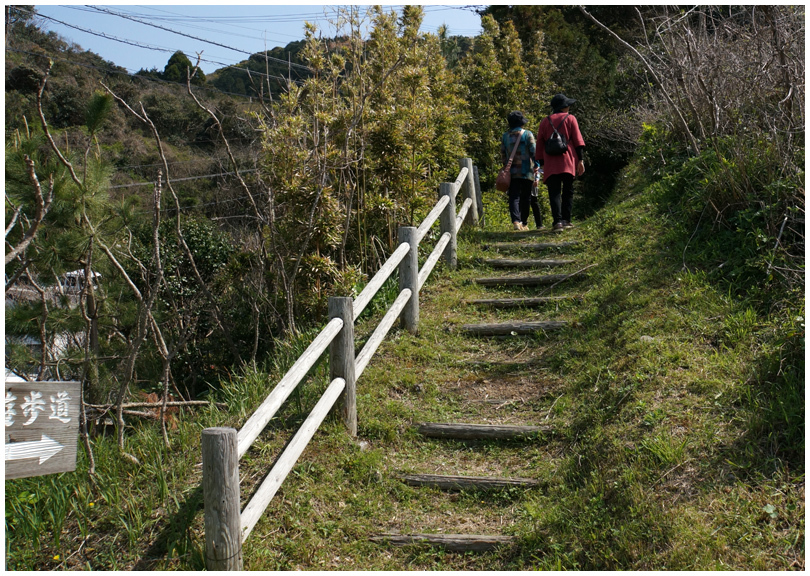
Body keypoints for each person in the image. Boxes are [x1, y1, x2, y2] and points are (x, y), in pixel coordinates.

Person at [535, 94, 586, 232]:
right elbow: (577, 140)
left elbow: (539, 143)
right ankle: (566, 220)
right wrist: (580, 160)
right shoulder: (570, 118)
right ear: (564, 107)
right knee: (568, 191)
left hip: (551, 162)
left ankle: (557, 222)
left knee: (554, 192)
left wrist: (540, 163)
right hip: (568, 159)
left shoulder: (544, 122)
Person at [500, 111, 541, 231]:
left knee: (514, 197)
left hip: (512, 172)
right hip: (526, 171)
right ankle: (524, 222)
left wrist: (506, 167)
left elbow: (503, 154)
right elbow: (534, 152)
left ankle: (516, 221)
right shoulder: (527, 134)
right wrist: (537, 165)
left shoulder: (505, 136)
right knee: (526, 197)